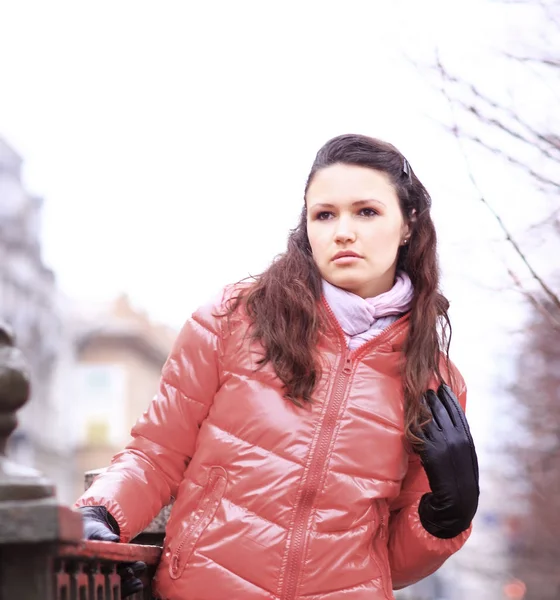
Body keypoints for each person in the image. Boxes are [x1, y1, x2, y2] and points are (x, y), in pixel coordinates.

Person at [76, 134, 479, 600]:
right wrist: (102, 512)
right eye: (324, 214)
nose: (342, 231)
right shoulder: (232, 320)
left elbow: (392, 563)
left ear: (408, 223)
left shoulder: (433, 379)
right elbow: (156, 454)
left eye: (366, 211)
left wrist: (446, 519)